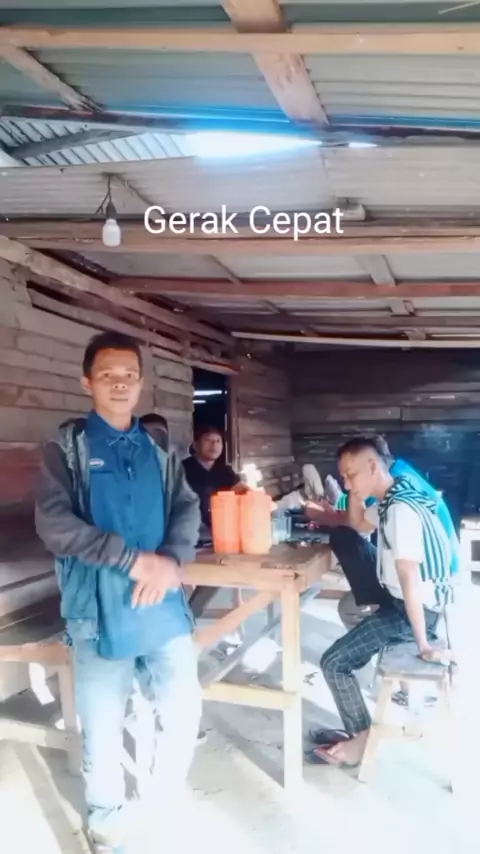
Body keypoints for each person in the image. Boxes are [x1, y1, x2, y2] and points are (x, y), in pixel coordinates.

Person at [35, 331, 202, 853]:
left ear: (141, 382)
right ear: (87, 381)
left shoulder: (159, 448)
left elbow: (187, 507)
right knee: (103, 725)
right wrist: (132, 560)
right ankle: (106, 818)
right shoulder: (67, 448)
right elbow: (55, 525)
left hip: (161, 602)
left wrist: (171, 560)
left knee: (183, 709)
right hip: (97, 607)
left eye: (129, 374)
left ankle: (162, 795)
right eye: (108, 374)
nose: (120, 383)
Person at [305, 437, 456, 768]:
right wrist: (354, 496)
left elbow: (409, 576)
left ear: (373, 466)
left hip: (412, 611)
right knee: (346, 538)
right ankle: (359, 734)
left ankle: (362, 741)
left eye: (351, 475)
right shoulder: (394, 495)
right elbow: (359, 524)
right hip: (401, 600)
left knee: (334, 663)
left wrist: (423, 643)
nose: (346, 483)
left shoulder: (400, 510)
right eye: (343, 477)